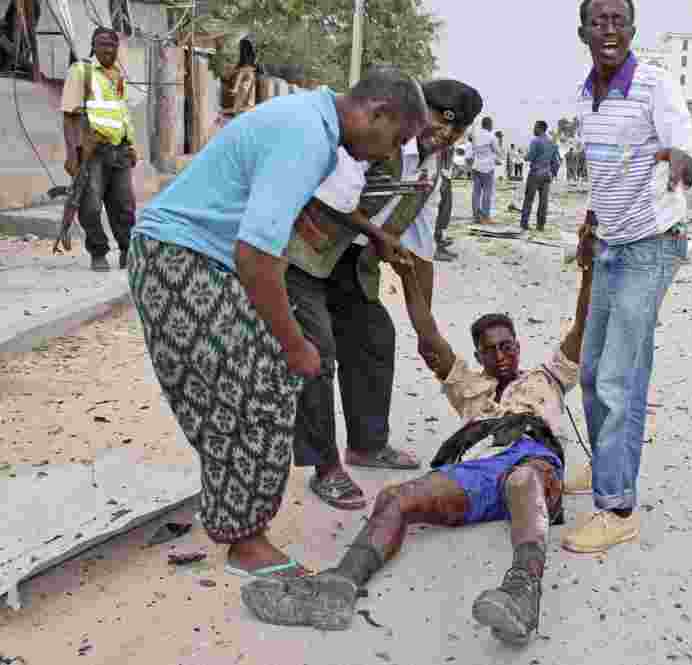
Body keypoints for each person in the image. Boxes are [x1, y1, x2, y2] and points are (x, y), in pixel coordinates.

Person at [128, 68, 428, 581]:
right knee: (256, 388)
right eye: (395, 139)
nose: (386, 155)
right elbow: (255, 256)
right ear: (377, 112)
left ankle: (237, 520)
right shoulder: (309, 135)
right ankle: (246, 542)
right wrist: (294, 343)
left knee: (252, 387)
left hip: (194, 258)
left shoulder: (313, 121)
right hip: (180, 258)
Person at [241, 248, 594, 645]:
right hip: (478, 467)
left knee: (522, 480)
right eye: (491, 349)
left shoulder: (548, 377)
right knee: (395, 498)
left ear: (518, 345)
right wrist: (408, 275)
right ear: (478, 355)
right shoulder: (470, 388)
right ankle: (337, 585)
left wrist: (589, 267)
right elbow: (428, 338)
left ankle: (522, 593)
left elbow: (583, 326)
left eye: (507, 346)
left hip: (531, 458)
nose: (502, 355)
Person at [286, 79, 482, 511]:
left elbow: (421, 246)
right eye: (437, 116)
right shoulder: (378, 138)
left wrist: (427, 329)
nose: (444, 132)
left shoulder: (433, 170)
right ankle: (325, 466)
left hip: (352, 261)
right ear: (416, 109)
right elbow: (334, 200)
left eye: (457, 127)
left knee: (375, 337)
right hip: (306, 250)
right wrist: (376, 236)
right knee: (316, 353)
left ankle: (367, 445)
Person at [563, 0, 692, 553]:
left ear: (631, 30)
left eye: (617, 20)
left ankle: (618, 506)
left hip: (652, 247)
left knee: (620, 377)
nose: (608, 29)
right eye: (598, 21)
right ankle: (606, 468)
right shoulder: (587, 95)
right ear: (583, 31)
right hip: (609, 245)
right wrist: (591, 227)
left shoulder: (655, 86)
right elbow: (607, 172)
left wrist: (684, 164)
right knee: (593, 370)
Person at [60, 28, 139, 272]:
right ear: (93, 46)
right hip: (93, 152)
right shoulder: (81, 71)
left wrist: (132, 146)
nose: (108, 49)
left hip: (120, 151)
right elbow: (69, 116)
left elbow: (121, 113)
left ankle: (127, 251)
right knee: (91, 206)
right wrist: (72, 154)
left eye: (113, 45)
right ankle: (98, 251)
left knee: (125, 207)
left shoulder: (116, 75)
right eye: (103, 44)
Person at [520, 120, 560, 231]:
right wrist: (553, 174)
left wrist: (525, 156)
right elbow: (556, 162)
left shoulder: (536, 141)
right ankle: (540, 225)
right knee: (543, 202)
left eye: (535, 127)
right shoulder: (552, 143)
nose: (533, 129)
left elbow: (530, 156)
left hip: (535, 174)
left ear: (540, 129)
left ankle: (524, 223)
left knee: (529, 200)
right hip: (547, 175)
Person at [470, 117, 499, 224]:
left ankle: (476, 216)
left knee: (476, 192)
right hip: (487, 168)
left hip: (476, 166)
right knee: (487, 193)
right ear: (489, 125)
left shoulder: (475, 136)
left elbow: (473, 150)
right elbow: (498, 151)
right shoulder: (492, 137)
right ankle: (486, 217)